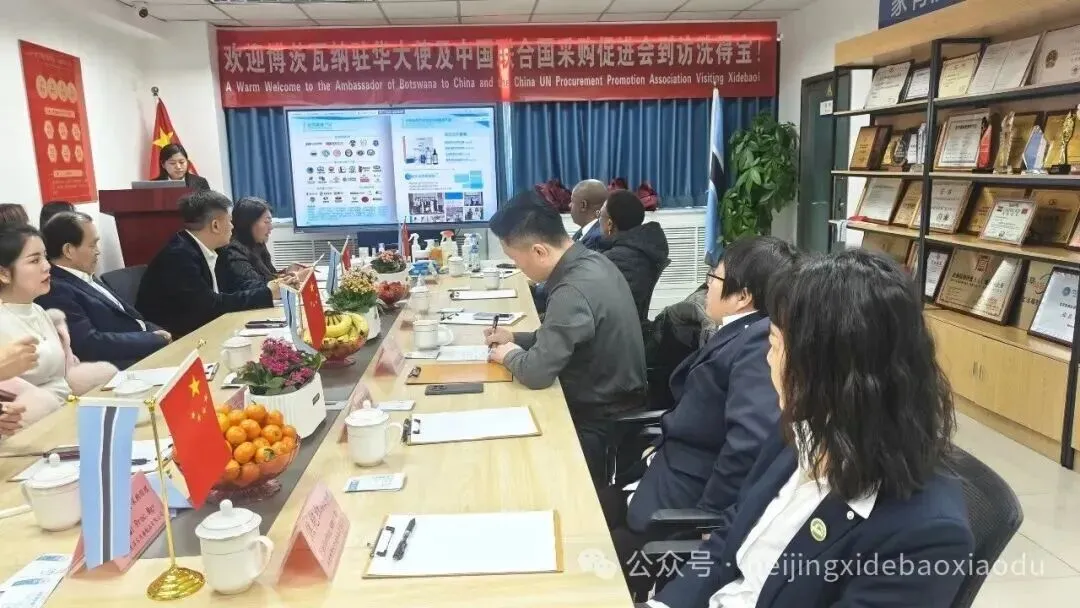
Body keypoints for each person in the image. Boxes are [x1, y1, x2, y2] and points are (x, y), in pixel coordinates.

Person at [645, 249, 973, 608]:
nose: (767, 360)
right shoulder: (804, 431)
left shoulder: (925, 536)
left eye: (774, 345)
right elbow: (729, 537)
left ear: (828, 371)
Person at [601, 236, 800, 597]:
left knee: (593, 552)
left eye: (714, 277)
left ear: (743, 296)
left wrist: (712, 516)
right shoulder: (741, 331)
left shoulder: (758, 344)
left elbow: (750, 442)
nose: (707, 285)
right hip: (665, 470)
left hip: (684, 499)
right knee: (587, 511)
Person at [484, 192, 647, 486]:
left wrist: (507, 354)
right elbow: (564, 334)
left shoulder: (571, 289)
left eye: (515, 261)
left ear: (539, 251)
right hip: (613, 394)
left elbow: (536, 373)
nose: (519, 269)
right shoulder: (591, 261)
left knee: (507, 462)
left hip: (598, 417)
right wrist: (515, 337)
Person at [0, 225, 117, 428]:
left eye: (45, 257)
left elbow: (66, 371)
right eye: (34, 260)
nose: (47, 266)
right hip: (32, 427)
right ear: (4, 274)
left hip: (69, 412)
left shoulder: (38, 310)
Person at [35, 212, 170, 369]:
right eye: (92, 245)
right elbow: (89, 343)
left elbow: (131, 317)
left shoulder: (84, 274)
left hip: (146, 346)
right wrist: (152, 340)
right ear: (68, 250)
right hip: (123, 364)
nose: (98, 251)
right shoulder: (56, 289)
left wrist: (156, 332)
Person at [137, 190, 280, 338]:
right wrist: (267, 293)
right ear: (215, 225)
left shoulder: (211, 250)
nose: (232, 227)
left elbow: (236, 286)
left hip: (202, 329)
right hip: (175, 339)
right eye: (229, 221)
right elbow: (209, 306)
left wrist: (273, 287)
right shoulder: (179, 256)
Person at [596, 190, 670, 324]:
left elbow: (600, 306)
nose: (598, 220)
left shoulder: (620, 259)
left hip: (618, 332)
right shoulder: (636, 249)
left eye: (600, 215)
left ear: (610, 224)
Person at [219, 197, 279, 292]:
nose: (271, 227)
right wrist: (285, 283)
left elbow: (269, 276)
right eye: (266, 222)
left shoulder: (257, 244)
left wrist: (289, 274)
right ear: (248, 223)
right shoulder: (233, 250)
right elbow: (254, 286)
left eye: (270, 222)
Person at [569, 179, 608, 250]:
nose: (569, 205)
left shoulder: (597, 240)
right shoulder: (583, 232)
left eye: (572, 201)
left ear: (583, 205)